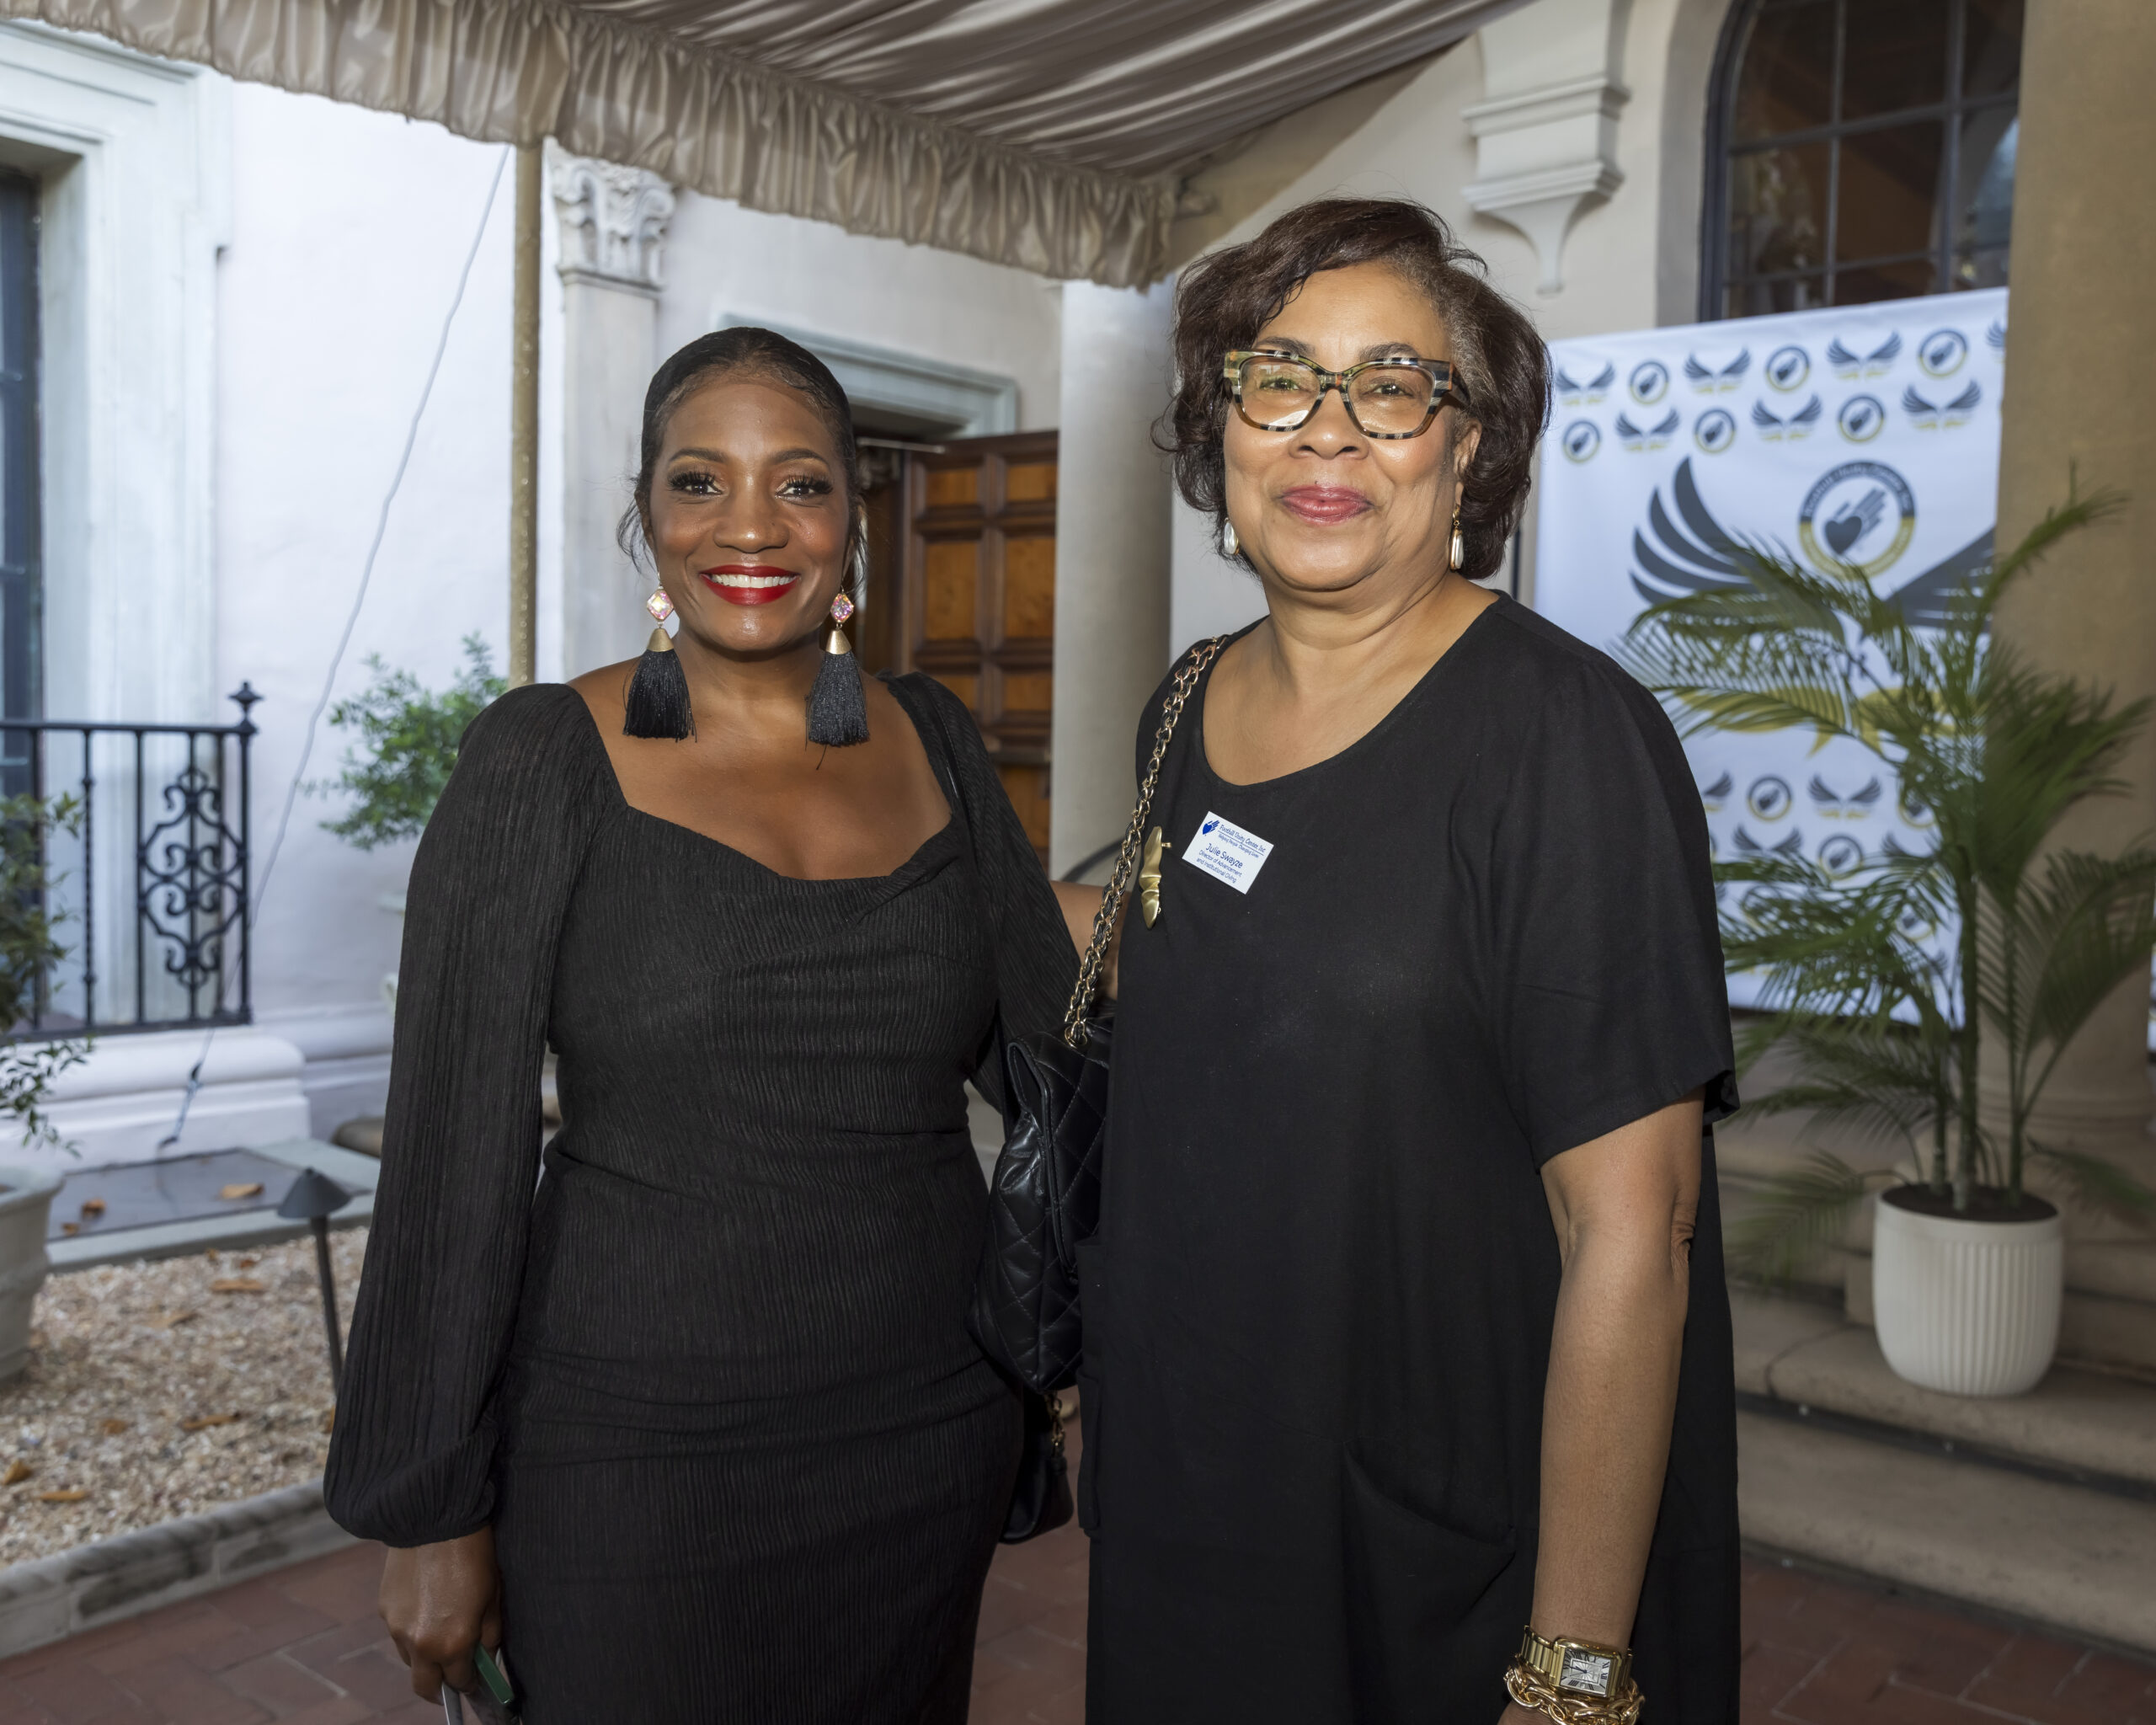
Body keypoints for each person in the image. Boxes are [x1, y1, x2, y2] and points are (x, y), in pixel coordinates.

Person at [323, 327, 1079, 1723]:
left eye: (800, 484)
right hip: (632, 1446)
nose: (749, 526)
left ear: (854, 520)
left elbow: (1049, 1055)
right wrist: (430, 1507)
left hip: (927, 1425)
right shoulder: (542, 757)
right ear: (646, 515)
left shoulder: (934, 739)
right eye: (699, 481)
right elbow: (453, 1147)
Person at [1075, 199, 1741, 1723]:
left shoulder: (1562, 740)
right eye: (1280, 378)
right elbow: (1189, 953)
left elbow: (1634, 1233)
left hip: (1439, 1550)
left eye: (1390, 386)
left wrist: (1571, 1676)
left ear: (1467, 446)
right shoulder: (1186, 700)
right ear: (1223, 428)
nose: (1327, 430)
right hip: (1193, 1498)